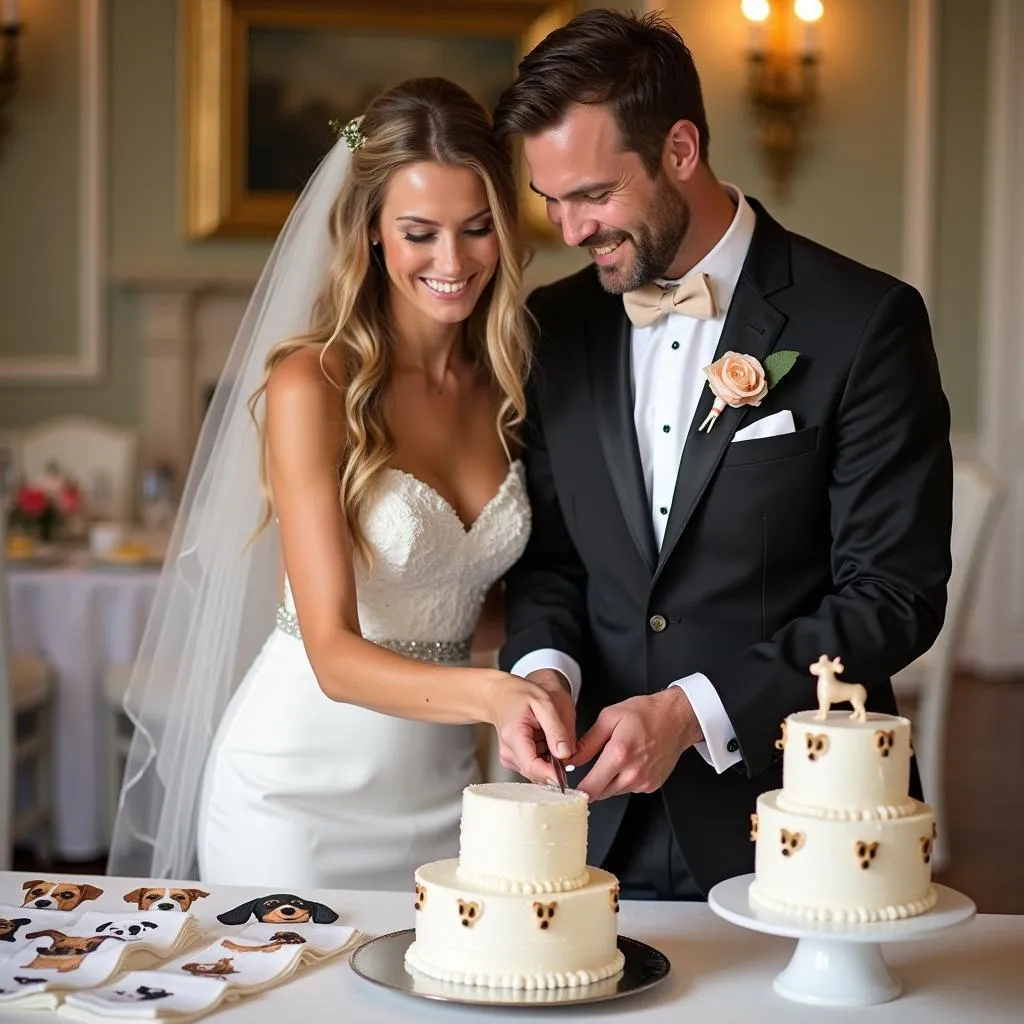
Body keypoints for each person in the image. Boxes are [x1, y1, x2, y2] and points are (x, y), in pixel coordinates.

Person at [493, 10, 953, 901]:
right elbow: (550, 560)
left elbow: (894, 596)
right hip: (591, 823)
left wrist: (695, 712)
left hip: (801, 818)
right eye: (550, 200)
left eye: (592, 194)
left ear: (678, 149)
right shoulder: (555, 327)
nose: (569, 229)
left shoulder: (863, 321)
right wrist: (542, 675)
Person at [106, 78, 574, 888]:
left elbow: (469, 596)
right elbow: (332, 655)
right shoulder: (310, 385)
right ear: (372, 233)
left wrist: (551, 664)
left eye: (477, 229)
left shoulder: (510, 383)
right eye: (420, 232)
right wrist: (495, 698)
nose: (453, 262)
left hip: (440, 791)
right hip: (294, 797)